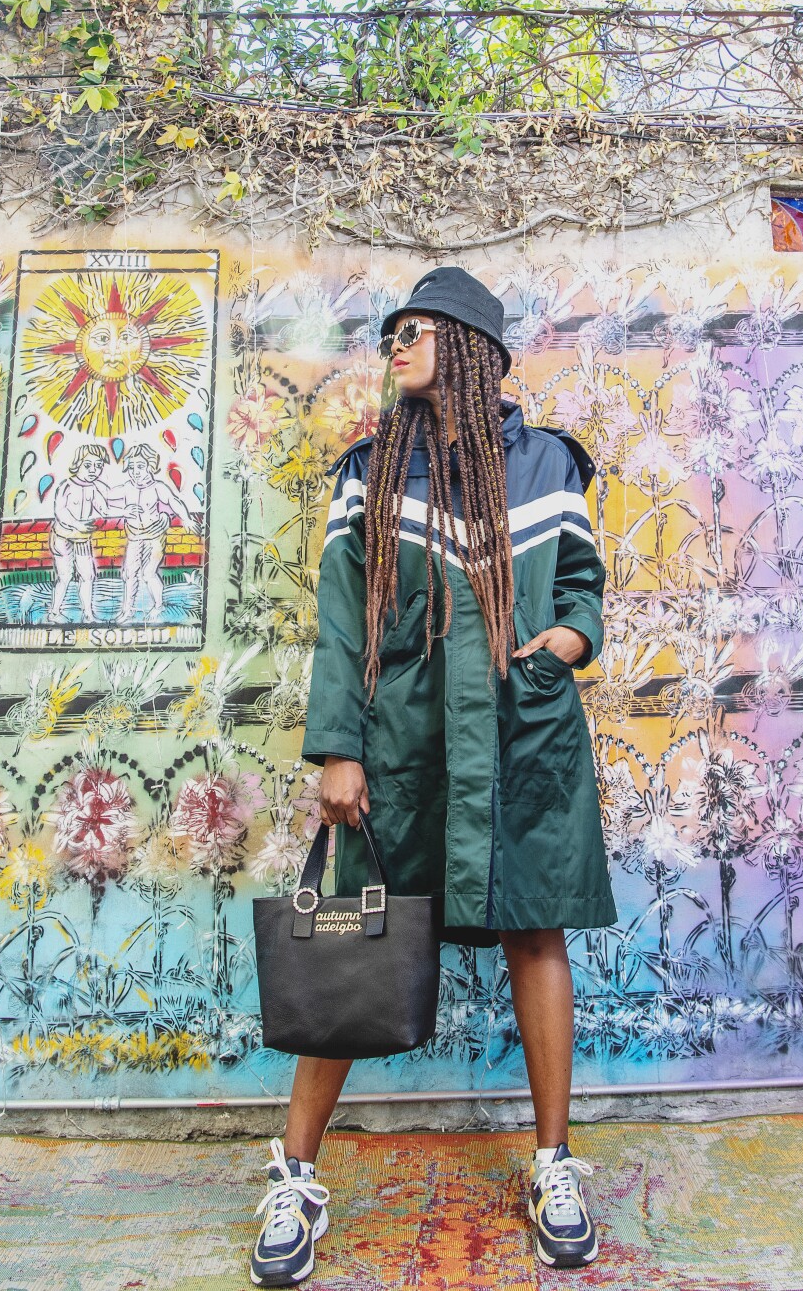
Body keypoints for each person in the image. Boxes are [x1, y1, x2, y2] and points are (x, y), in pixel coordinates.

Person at [250, 267, 616, 1287]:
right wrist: (339, 744)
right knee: (348, 942)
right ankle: (296, 1173)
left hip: (521, 734)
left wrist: (567, 642)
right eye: (390, 334)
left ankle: (553, 1165)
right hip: (404, 743)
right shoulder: (369, 471)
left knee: (534, 928)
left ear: (465, 346)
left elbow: (585, 584)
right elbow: (337, 615)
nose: (393, 346)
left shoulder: (547, 466)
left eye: (412, 330)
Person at [113, 443, 197, 623]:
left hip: (154, 535)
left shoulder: (157, 487)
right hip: (135, 535)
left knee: (148, 573)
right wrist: (121, 511)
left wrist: (186, 518)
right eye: (132, 467)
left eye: (141, 467)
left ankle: (158, 605)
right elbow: (106, 496)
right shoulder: (127, 487)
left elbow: (174, 502)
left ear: (150, 466)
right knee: (129, 573)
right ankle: (127, 610)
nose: (136, 471)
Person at [50, 442, 112, 622]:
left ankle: (88, 613)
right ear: (77, 464)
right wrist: (77, 524)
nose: (94, 470)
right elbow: (60, 512)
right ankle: (54, 612)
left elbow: (104, 508)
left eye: (98, 466)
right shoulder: (67, 486)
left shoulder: (93, 487)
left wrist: (124, 512)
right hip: (63, 537)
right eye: (88, 465)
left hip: (82, 538)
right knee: (65, 576)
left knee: (87, 575)